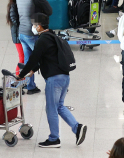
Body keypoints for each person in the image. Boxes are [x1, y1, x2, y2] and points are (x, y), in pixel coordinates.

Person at [16, 13, 87, 148]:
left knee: (51, 109)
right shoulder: (54, 37)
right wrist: (32, 71)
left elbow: (33, 59)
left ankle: (54, 139)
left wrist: (22, 74)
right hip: (65, 77)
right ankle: (77, 128)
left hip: (54, 79)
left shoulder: (42, 40)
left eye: (34, 25)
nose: (33, 27)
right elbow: (45, 58)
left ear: (39, 26)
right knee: (59, 106)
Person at [15, 0, 52, 96]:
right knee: (45, 59)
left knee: (28, 60)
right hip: (33, 33)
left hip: (22, 33)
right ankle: (52, 85)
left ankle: (30, 86)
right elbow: (49, 11)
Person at [7, 0, 26, 75]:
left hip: (20, 34)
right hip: (18, 36)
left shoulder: (17, 3)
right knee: (22, 58)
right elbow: (14, 19)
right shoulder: (14, 4)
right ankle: (18, 76)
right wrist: (24, 24)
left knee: (24, 58)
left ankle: (21, 76)